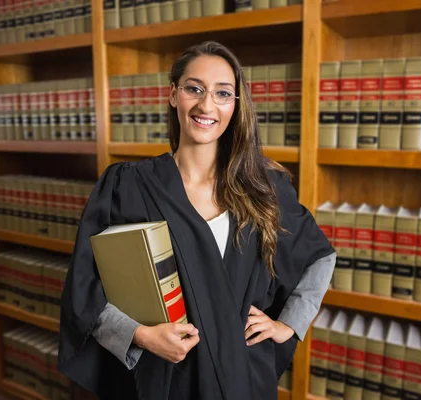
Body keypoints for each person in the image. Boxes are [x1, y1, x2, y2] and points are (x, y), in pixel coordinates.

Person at [58, 41, 336, 400]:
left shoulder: (264, 188)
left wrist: (289, 324)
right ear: (173, 95)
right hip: (161, 375)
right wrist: (140, 336)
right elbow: (85, 288)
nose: (207, 105)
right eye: (194, 89)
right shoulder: (126, 186)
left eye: (223, 93)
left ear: (236, 106)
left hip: (242, 376)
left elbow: (319, 255)